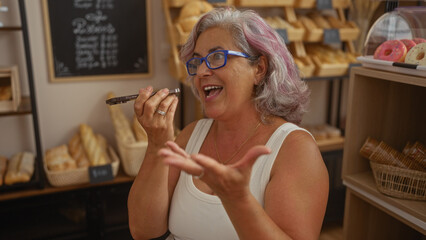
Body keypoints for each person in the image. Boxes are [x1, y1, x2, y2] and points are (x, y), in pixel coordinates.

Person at [128, 7, 329, 240]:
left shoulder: (295, 149)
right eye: (197, 61)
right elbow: (143, 230)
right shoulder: (193, 134)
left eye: (216, 57)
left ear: (259, 69)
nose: (202, 71)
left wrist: (237, 199)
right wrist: (157, 143)